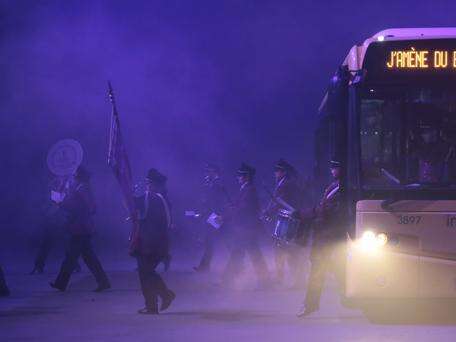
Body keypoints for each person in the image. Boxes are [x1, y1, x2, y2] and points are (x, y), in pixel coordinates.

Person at [297, 160, 346, 317]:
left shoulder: (342, 189)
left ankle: (310, 305)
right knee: (337, 270)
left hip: (329, 236)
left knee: (319, 271)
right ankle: (312, 304)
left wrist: (303, 214)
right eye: (332, 167)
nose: (332, 170)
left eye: (335, 167)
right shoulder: (334, 186)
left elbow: (327, 211)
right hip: (327, 236)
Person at [50, 166, 110, 292]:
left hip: (80, 228)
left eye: (75, 177)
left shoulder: (81, 188)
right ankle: (103, 281)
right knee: (88, 258)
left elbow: (89, 207)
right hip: (81, 227)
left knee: (71, 257)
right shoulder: (81, 188)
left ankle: (61, 283)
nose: (73, 178)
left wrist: (62, 203)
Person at [134, 168, 176, 315]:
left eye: (149, 183)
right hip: (151, 242)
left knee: (146, 272)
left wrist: (127, 191)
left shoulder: (154, 199)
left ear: (156, 185)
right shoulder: (158, 198)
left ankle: (162, 297)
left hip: (151, 244)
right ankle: (155, 302)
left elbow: (134, 205)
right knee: (146, 273)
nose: (147, 185)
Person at [221, 163, 269, 287]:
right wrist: (232, 208)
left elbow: (244, 209)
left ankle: (264, 282)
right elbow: (240, 207)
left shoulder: (249, 190)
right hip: (245, 228)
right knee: (244, 254)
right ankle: (228, 280)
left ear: (246, 177)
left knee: (250, 255)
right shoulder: (247, 189)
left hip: (247, 228)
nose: (238, 177)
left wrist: (231, 210)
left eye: (240, 175)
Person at [263, 159, 305, 286]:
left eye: (278, 170)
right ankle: (285, 277)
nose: (276, 173)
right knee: (283, 249)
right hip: (285, 219)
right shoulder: (284, 183)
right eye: (276, 170)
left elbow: (279, 202)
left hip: (287, 220)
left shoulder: (286, 184)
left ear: (283, 172)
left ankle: (293, 279)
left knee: (286, 249)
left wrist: (268, 212)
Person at [31, 176, 81, 274]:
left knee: (66, 244)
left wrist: (65, 188)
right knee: (48, 244)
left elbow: (63, 202)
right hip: (53, 221)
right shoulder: (52, 189)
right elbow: (56, 202)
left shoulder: (64, 188)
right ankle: (39, 265)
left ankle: (74, 265)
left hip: (61, 220)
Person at [194, 163, 228, 272]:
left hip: (216, 216)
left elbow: (220, 200)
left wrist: (220, 215)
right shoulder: (213, 183)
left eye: (208, 172)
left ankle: (237, 261)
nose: (206, 174)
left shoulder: (218, 183)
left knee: (219, 240)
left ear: (214, 172)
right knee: (210, 241)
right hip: (213, 215)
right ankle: (204, 266)